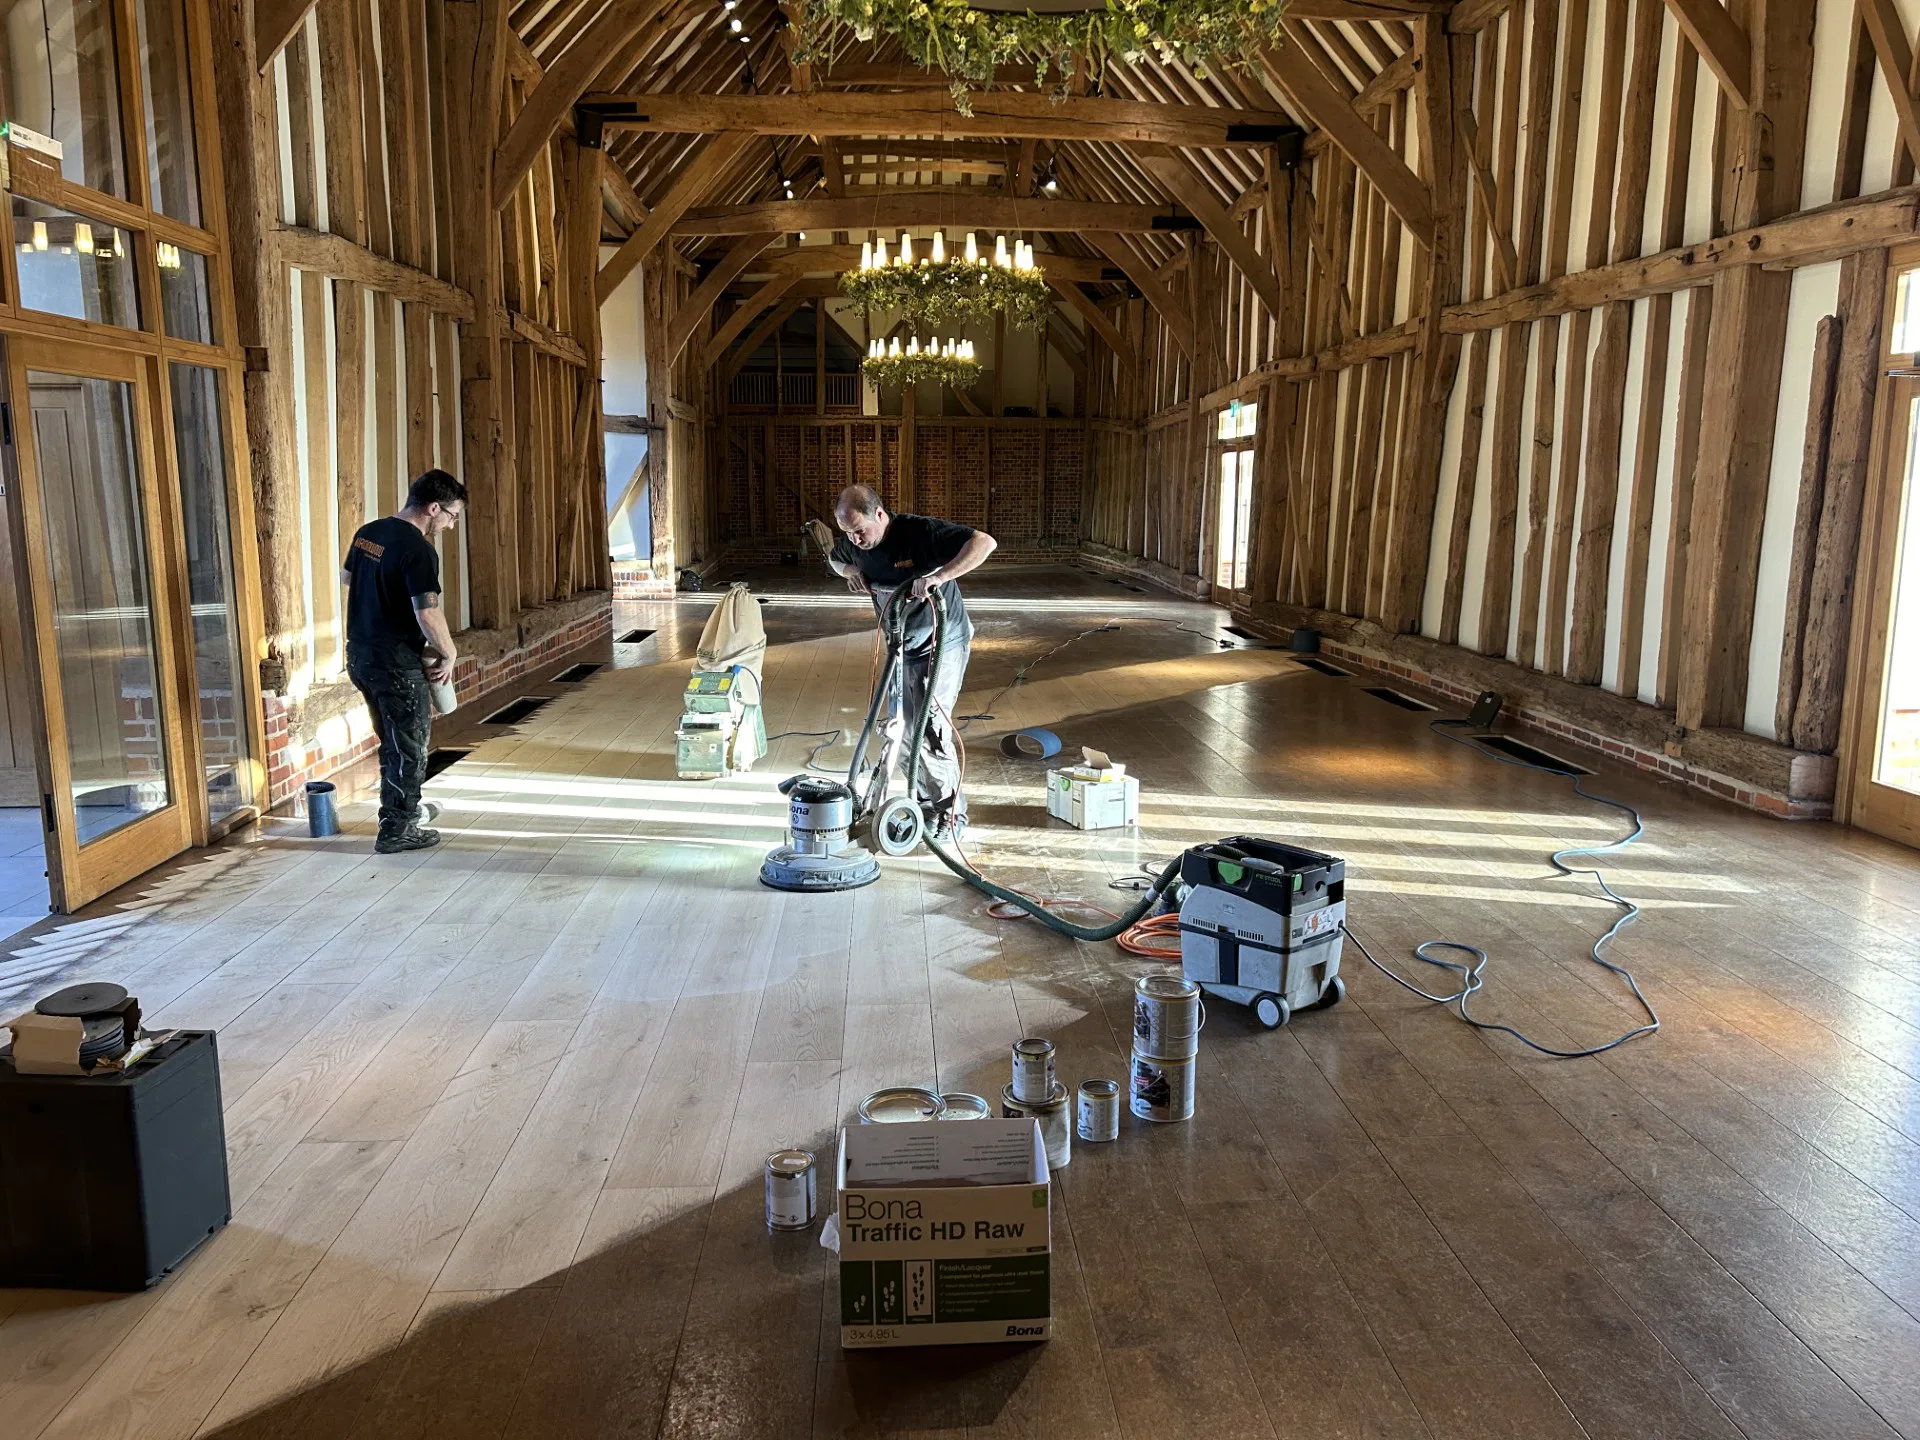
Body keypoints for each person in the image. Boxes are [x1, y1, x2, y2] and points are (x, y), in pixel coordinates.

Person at [825, 485, 996, 838]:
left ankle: (951, 816)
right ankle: (927, 805)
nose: (855, 539)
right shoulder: (854, 544)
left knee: (928, 731)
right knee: (899, 732)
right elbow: (834, 557)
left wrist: (938, 577)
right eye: (847, 532)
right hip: (901, 648)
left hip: (942, 642)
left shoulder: (920, 532)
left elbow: (984, 542)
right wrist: (849, 571)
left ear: (879, 515)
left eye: (860, 530)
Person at [341, 469, 467, 853]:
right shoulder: (418, 550)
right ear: (434, 508)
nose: (450, 525)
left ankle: (399, 813)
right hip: (396, 663)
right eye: (452, 516)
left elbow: (348, 577)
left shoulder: (370, 532)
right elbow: (427, 612)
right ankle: (399, 829)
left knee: (393, 742)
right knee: (409, 747)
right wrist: (449, 652)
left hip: (360, 655)